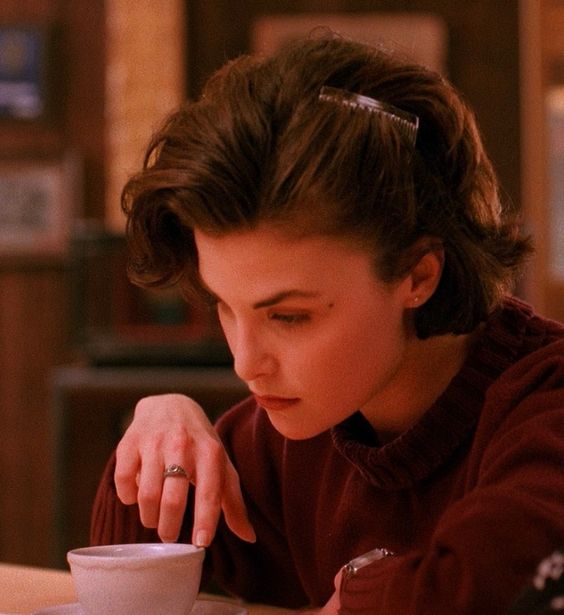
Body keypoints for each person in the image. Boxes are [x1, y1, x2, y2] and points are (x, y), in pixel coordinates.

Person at [90, 33, 564, 614]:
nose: (245, 362)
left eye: (289, 316)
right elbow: (127, 583)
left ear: (418, 275)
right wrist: (159, 432)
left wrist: (361, 592)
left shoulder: (546, 406)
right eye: (225, 306)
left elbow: (479, 592)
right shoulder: (299, 423)